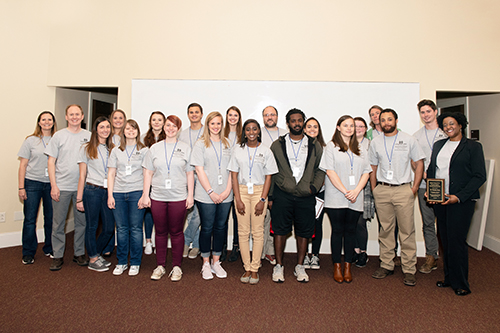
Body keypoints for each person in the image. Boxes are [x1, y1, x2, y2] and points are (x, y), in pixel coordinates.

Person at [427, 112, 486, 296]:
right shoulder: (438, 145)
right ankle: (449, 278)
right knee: (445, 241)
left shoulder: (473, 147)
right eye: (444, 125)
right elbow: (432, 170)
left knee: (457, 241)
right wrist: (430, 189)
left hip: (460, 202)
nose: (448, 127)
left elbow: (479, 176)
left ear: (461, 125)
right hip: (440, 200)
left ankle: (461, 283)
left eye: (452, 124)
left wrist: (458, 196)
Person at [369, 108, 425, 286]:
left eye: (389, 119)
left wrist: (414, 188)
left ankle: (409, 269)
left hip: (403, 190)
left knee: (407, 231)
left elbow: (419, 163)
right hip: (382, 190)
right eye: (383, 120)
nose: (386, 122)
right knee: (385, 230)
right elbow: (373, 167)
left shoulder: (409, 139)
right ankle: (386, 264)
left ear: (396, 121)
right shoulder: (375, 142)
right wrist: (374, 189)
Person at [269, 108, 325, 283]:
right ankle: (279, 266)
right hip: (282, 194)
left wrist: (313, 188)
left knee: (304, 232)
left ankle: (300, 267)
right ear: (288, 124)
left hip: (305, 195)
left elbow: (320, 170)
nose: (296, 124)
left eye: (299, 120)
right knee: (279, 231)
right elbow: (271, 170)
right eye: (293, 121)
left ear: (303, 122)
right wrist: (271, 196)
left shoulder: (315, 145)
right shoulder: (277, 144)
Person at [140, 115, 194, 281]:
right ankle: (160, 265)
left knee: (177, 232)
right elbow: (148, 172)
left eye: (174, 126)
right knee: (161, 232)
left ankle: (177, 267)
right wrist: (145, 194)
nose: (171, 128)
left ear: (179, 129)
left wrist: (190, 195)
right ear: (164, 127)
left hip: (179, 196)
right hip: (158, 196)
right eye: (168, 125)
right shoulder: (154, 148)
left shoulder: (185, 148)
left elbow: (190, 173)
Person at [320, 116, 371, 283]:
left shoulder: (361, 148)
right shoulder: (331, 147)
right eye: (345, 125)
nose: (349, 128)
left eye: (352, 126)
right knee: (337, 231)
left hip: (355, 196)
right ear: (338, 127)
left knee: (351, 231)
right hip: (336, 196)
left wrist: (355, 191)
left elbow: (366, 172)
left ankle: (348, 265)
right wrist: (345, 191)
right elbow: (330, 171)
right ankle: (337, 266)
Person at [228, 119, 278, 284]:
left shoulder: (266, 151)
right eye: (248, 129)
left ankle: (255, 268)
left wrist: (263, 199)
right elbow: (234, 175)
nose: (251, 132)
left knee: (257, 232)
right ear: (244, 132)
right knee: (243, 232)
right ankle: (247, 267)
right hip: (241, 191)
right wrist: (238, 199)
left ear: (258, 131)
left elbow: (268, 177)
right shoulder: (237, 149)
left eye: (254, 129)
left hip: (259, 191)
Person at [45, 104, 91, 271]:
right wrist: (54, 186)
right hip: (62, 186)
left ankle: (78, 253)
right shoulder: (58, 136)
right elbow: (51, 162)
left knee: (82, 223)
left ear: (82, 116)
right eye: (71, 114)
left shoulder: (89, 136)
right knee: (58, 223)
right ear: (66, 117)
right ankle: (57, 255)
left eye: (77, 114)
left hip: (83, 187)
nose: (74, 117)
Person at [190, 111, 233, 280]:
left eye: (218, 123)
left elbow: (232, 169)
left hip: (225, 194)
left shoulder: (227, 143)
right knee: (207, 228)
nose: (216, 126)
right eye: (212, 123)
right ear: (207, 125)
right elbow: (198, 170)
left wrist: (226, 191)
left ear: (222, 125)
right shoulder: (200, 144)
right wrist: (211, 192)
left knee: (221, 227)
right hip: (205, 194)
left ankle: (216, 261)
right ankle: (206, 263)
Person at [108, 119, 148, 276]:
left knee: (136, 228)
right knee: (122, 229)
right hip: (118, 193)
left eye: (134, 129)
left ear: (138, 131)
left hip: (137, 192)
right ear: (123, 131)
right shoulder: (116, 151)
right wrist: (110, 195)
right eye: (128, 129)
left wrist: (145, 194)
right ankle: (122, 261)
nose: (131, 131)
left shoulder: (144, 150)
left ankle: (136, 262)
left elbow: (147, 174)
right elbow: (111, 173)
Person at [412, 99, 447, 274]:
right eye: (422, 112)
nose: (426, 115)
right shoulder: (417, 136)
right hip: (425, 185)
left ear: (435, 111)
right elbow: (413, 160)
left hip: (446, 186)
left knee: (446, 221)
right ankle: (431, 256)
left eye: (428, 111)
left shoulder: (446, 132)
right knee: (428, 222)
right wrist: (422, 174)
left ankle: (449, 257)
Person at [76, 116, 115, 272]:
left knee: (108, 228)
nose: (105, 130)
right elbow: (82, 175)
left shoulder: (113, 148)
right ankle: (93, 258)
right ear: (96, 130)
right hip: (92, 190)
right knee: (92, 226)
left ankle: (95, 253)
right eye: (102, 127)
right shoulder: (86, 148)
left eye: (107, 127)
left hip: (109, 192)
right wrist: (79, 199)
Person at [18, 111, 57, 264]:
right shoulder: (31, 140)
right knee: (29, 219)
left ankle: (49, 247)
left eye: (50, 119)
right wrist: (21, 187)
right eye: (43, 120)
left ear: (53, 122)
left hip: (52, 184)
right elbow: (23, 165)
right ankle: (28, 252)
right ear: (39, 122)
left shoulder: (57, 139)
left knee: (51, 218)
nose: (47, 122)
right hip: (32, 183)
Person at [260, 106, 288, 265]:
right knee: (261, 220)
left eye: (272, 114)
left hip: (281, 183)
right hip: (262, 182)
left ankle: (270, 252)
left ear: (277, 116)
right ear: (263, 117)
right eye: (266, 115)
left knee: (274, 220)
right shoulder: (258, 133)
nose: (269, 117)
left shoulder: (285, 134)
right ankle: (260, 251)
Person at [179, 103, 204, 260]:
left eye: (197, 112)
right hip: (186, 177)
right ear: (188, 115)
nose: (194, 114)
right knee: (190, 212)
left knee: (198, 214)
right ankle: (196, 245)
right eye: (191, 112)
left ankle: (186, 241)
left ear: (201, 114)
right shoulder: (182, 134)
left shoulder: (206, 132)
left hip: (202, 178)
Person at [102, 109, 128, 257]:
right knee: (108, 219)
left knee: (120, 220)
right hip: (104, 180)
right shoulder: (106, 136)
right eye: (115, 118)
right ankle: (108, 245)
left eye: (121, 118)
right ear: (111, 120)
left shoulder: (127, 136)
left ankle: (118, 247)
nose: (118, 120)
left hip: (121, 183)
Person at [302, 117, 326, 270]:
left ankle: (315, 255)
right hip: (302, 193)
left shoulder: (324, 148)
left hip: (319, 193)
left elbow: (323, 171)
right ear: (304, 129)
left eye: (315, 127)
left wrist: (315, 187)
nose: (312, 129)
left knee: (317, 224)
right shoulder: (299, 147)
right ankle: (304, 255)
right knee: (303, 224)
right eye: (309, 127)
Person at [142, 111, 167, 255]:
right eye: (154, 120)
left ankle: (160, 241)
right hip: (146, 180)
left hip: (162, 181)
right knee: (148, 212)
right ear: (150, 122)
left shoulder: (168, 139)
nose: (156, 122)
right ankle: (148, 241)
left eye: (159, 120)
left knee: (160, 213)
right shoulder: (143, 139)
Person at [352, 116, 374, 268]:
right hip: (349, 186)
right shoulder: (346, 144)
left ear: (366, 129)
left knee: (361, 222)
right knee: (351, 221)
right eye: (355, 126)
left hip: (365, 187)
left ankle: (363, 252)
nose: (358, 128)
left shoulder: (371, 145)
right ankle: (354, 249)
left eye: (361, 126)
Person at [224, 106, 243, 262]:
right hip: (223, 181)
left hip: (239, 181)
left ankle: (236, 247)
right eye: (230, 115)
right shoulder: (220, 134)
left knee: (238, 218)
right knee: (223, 218)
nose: (232, 118)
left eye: (235, 115)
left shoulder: (243, 135)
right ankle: (222, 247)